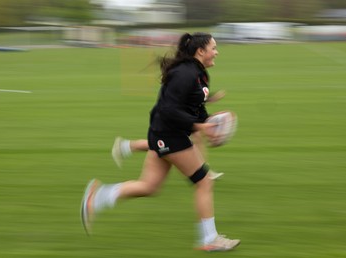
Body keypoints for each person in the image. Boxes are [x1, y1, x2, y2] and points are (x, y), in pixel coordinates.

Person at [81, 32, 240, 251]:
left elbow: (195, 108)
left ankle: (97, 196)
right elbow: (168, 110)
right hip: (169, 135)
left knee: (149, 186)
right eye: (213, 48)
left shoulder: (200, 75)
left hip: (165, 134)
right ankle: (209, 239)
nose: (216, 52)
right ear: (200, 51)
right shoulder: (185, 74)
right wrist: (199, 126)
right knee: (204, 182)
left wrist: (208, 122)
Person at [111, 90, 226, 180]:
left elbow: (195, 98)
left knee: (166, 145)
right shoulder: (190, 74)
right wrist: (211, 99)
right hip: (177, 116)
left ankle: (125, 146)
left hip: (184, 114)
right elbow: (192, 96)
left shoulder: (194, 75)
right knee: (172, 144)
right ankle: (204, 171)